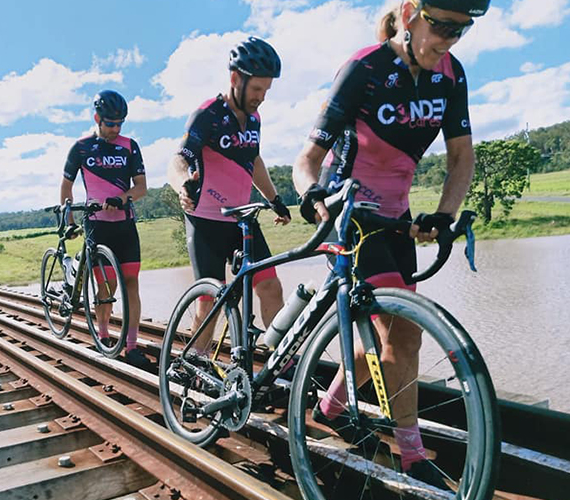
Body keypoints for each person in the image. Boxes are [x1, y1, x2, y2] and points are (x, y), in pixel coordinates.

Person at [293, 0, 489, 488]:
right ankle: (412, 452)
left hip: (396, 217)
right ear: (409, 13)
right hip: (348, 213)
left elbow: (461, 154)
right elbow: (307, 159)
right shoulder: (365, 68)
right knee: (399, 331)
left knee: (396, 333)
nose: (448, 39)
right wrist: (311, 193)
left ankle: (329, 406)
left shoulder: (451, 75)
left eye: (461, 31)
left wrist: (443, 217)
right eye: (441, 25)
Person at [167, 36, 291, 354]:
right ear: (236, 79)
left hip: (243, 219)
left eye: (266, 90)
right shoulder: (207, 114)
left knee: (270, 286)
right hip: (206, 220)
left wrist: (275, 199)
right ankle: (193, 362)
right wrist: (183, 185)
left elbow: (254, 160)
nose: (261, 98)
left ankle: (281, 366)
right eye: (256, 89)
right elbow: (179, 159)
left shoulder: (255, 119)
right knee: (210, 301)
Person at [61, 90, 150, 369]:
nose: (115, 129)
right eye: (110, 123)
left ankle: (132, 346)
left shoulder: (129, 146)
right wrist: (70, 221)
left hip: (124, 223)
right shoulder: (81, 148)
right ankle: (103, 337)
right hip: (97, 224)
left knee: (132, 284)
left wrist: (121, 199)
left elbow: (142, 188)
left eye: (120, 123)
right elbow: (66, 187)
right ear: (97, 118)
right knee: (107, 285)